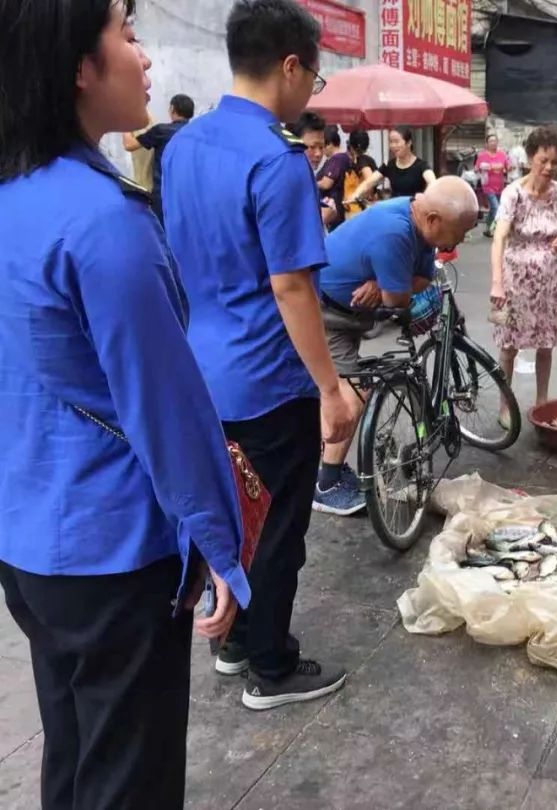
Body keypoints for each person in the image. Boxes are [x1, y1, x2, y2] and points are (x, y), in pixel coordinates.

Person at [0, 2, 248, 806]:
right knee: (128, 780)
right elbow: (168, 410)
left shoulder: (15, 197)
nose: (144, 58)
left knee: (75, 754)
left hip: (29, 539)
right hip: (113, 551)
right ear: (80, 66)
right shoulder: (105, 222)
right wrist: (221, 545)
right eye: (127, 35)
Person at [163, 0, 360, 711]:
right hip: (269, 379)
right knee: (277, 528)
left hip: (203, 371)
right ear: (290, 65)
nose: (311, 90)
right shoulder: (278, 160)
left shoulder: (182, 146)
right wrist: (331, 388)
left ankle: (235, 641)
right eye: (314, 75)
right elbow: (291, 285)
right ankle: (271, 667)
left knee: (231, 515)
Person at [314, 177, 478, 515]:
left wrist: (383, 282)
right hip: (328, 314)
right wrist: (389, 285)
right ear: (433, 219)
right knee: (352, 394)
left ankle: (323, 457)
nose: (460, 241)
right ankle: (326, 484)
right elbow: (397, 299)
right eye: (459, 233)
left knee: (347, 386)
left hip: (351, 312)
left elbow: (423, 277)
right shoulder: (395, 233)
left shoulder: (419, 221)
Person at [490, 125, 557, 421]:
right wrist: (497, 283)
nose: (549, 167)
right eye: (543, 160)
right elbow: (499, 237)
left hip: (549, 280)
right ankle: (505, 406)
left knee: (545, 344)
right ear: (529, 158)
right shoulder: (513, 193)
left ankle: (542, 403)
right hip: (514, 280)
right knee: (509, 345)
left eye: (555, 162)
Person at [122, 92, 194, 223]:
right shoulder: (197, 133)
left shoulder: (161, 131)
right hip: (188, 195)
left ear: (172, 108)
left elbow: (129, 145)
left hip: (163, 196)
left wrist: (124, 122)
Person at [352, 125, 436, 200]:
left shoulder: (421, 165)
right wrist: (355, 194)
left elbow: (433, 183)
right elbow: (369, 182)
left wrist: (424, 198)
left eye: (396, 142)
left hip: (414, 209)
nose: (393, 145)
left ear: (408, 143)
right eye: (391, 142)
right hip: (395, 209)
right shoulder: (389, 165)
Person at [317, 123, 350, 231]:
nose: (321, 152)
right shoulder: (342, 158)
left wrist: (311, 183)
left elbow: (326, 183)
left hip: (334, 207)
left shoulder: (337, 159)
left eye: (323, 147)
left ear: (330, 144)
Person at [478, 133, 509, 237]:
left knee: (493, 209)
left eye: (495, 141)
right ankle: (496, 230)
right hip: (487, 186)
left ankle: (488, 228)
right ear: (487, 143)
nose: (493, 143)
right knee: (496, 207)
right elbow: (477, 168)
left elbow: (507, 167)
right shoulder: (482, 155)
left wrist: (508, 166)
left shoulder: (502, 154)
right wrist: (489, 167)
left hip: (499, 186)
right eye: (491, 141)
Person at [342, 129, 377, 220]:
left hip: (358, 210)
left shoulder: (362, 160)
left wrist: (359, 195)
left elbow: (370, 180)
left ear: (351, 145)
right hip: (361, 209)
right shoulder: (369, 160)